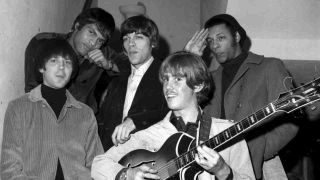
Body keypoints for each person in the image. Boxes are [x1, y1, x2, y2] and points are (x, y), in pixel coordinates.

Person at [91, 51, 255, 180]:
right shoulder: (149, 134)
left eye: (177, 79)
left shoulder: (228, 131)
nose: (168, 87)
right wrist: (128, 175)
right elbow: (99, 164)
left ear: (198, 85)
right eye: (166, 80)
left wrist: (222, 171)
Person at [185, 14, 299, 180]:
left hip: (261, 168)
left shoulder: (269, 67)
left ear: (236, 37)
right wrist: (190, 58)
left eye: (221, 38)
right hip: (213, 169)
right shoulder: (210, 79)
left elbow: (291, 118)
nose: (215, 45)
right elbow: (184, 103)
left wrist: (258, 151)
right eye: (210, 41)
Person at [1, 38, 103, 179]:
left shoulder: (85, 114)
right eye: (54, 61)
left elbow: (97, 164)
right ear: (42, 67)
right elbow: (9, 168)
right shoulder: (18, 108)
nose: (62, 67)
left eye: (67, 62)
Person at [24, 7, 130, 113]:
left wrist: (108, 65)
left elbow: (135, 66)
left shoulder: (102, 52)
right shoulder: (44, 44)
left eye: (100, 41)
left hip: (84, 119)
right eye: (91, 32)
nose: (93, 43)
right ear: (78, 25)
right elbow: (33, 91)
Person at [98, 15, 169, 151]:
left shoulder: (166, 75)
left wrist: (135, 121)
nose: (131, 44)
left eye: (138, 37)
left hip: (150, 158)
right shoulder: (116, 82)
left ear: (153, 42)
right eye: (126, 39)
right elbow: (103, 125)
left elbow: (174, 114)